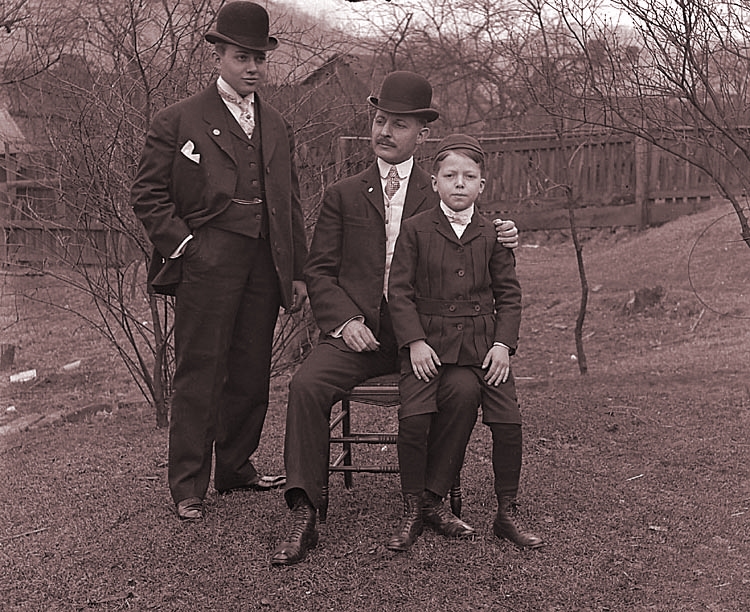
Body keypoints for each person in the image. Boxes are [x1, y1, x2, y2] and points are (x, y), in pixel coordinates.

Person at [270, 72, 519, 566]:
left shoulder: (443, 191)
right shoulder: (344, 194)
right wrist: (344, 321)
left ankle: (430, 498)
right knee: (306, 386)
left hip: (426, 336)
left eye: (398, 124)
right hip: (358, 334)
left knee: (462, 390)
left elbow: (479, 237)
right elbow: (319, 271)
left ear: (421, 135)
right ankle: (305, 509)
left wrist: (505, 231)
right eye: (379, 119)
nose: (384, 130)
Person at [131, 1, 308, 521]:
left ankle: (236, 467)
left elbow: (289, 201)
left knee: (251, 370)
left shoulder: (276, 124)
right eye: (240, 56)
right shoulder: (178, 119)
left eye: (259, 57)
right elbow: (147, 195)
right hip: (206, 260)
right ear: (218, 56)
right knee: (201, 371)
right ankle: (188, 484)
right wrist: (185, 245)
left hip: (264, 262)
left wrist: (295, 270)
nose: (251, 67)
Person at [387, 134, 543, 551]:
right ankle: (414, 509)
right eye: (450, 175)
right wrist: (415, 342)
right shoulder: (416, 230)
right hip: (430, 345)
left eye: (469, 176)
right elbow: (398, 293)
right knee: (415, 417)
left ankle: (506, 513)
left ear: (482, 186)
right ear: (434, 182)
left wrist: (502, 346)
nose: (459, 183)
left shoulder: (493, 233)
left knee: (508, 422)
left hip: (482, 345)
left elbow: (508, 294)